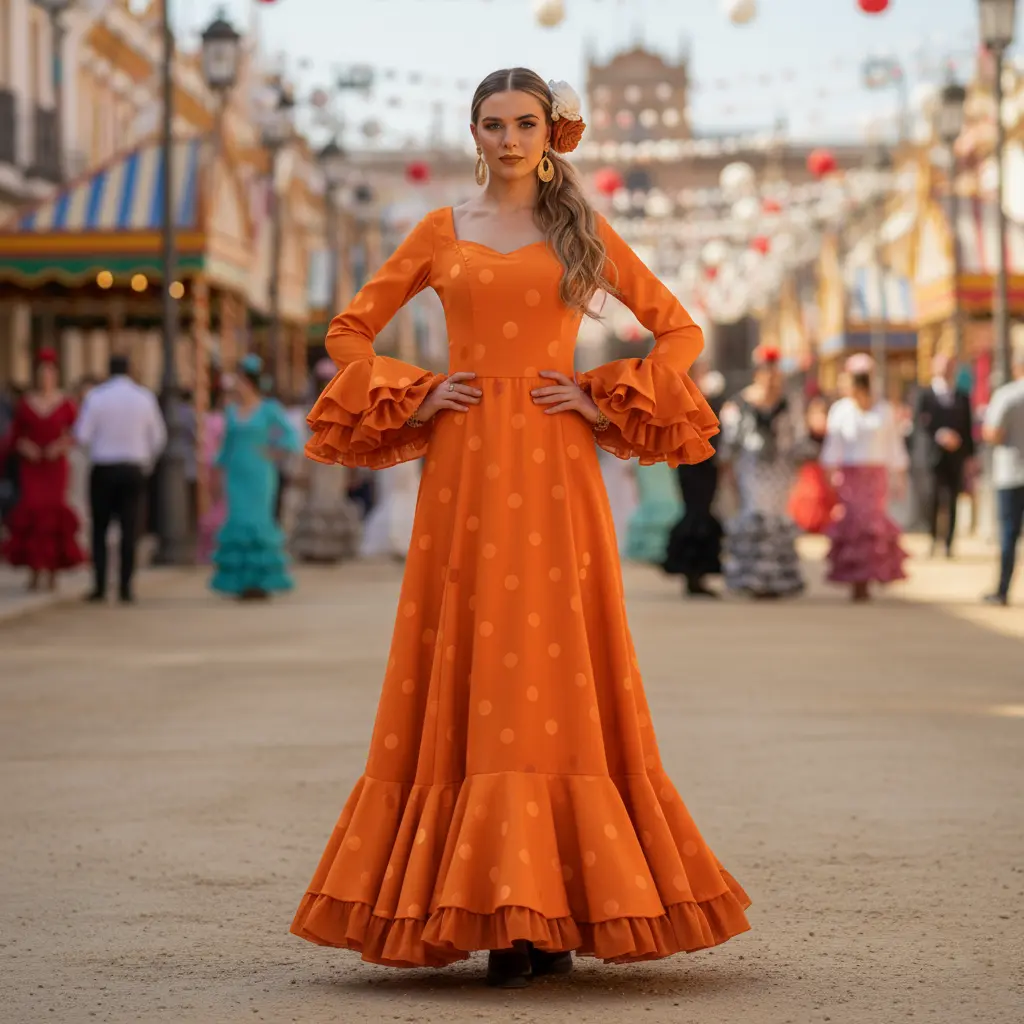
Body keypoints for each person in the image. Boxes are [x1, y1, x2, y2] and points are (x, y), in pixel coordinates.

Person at [290, 69, 749, 987]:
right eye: (492, 123)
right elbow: (348, 332)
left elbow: (680, 332)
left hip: (555, 463)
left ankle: (546, 910)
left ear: (551, 132)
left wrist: (594, 391)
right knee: (473, 655)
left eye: (524, 122)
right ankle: (500, 907)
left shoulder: (579, 230)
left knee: (555, 659)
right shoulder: (438, 229)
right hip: (462, 466)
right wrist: (418, 392)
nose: (507, 138)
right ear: (472, 131)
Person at [73, 354, 166, 603]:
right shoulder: (144, 397)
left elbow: (82, 435)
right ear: (130, 370)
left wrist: (94, 452)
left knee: (100, 529)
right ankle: (126, 586)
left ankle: (100, 585)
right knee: (129, 529)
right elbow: (158, 437)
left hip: (103, 467)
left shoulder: (96, 397)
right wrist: (146, 461)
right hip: (133, 468)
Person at [209, 355, 301, 599]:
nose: (236, 386)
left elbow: (291, 438)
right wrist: (217, 475)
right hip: (236, 474)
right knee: (238, 521)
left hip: (260, 474)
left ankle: (260, 582)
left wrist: (273, 450)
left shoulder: (269, 409)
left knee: (259, 522)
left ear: (249, 382)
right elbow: (225, 448)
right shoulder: (230, 412)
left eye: (239, 380)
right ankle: (240, 582)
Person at [819, 355, 909, 602]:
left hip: (875, 477)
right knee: (854, 525)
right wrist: (829, 475)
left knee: (872, 526)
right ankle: (856, 580)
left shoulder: (884, 411)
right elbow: (833, 446)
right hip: (851, 477)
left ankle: (869, 576)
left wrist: (898, 476)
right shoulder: (841, 410)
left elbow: (894, 446)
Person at [719, 346, 804, 599]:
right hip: (751, 468)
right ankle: (752, 579)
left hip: (780, 471)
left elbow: (798, 438)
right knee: (755, 516)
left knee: (776, 519)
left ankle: (776, 581)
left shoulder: (789, 402)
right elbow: (730, 443)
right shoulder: (739, 403)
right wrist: (728, 471)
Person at [1, 348, 85, 589]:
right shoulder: (26, 403)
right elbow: (15, 436)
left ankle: (52, 570)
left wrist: (60, 446)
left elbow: (76, 433)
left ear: (55, 375)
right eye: (41, 374)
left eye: (49, 373)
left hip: (55, 466)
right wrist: (25, 447)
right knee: (32, 511)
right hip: (33, 467)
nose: (45, 378)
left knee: (53, 512)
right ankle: (34, 569)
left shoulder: (66, 404)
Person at [663, 365, 726, 597]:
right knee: (695, 514)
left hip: (707, 466)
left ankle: (697, 575)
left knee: (702, 513)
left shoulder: (711, 403)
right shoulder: (679, 402)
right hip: (690, 466)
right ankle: (692, 574)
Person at [291, 362, 363, 564]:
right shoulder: (312, 408)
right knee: (316, 499)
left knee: (332, 500)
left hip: (336, 461)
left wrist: (352, 467)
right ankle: (314, 549)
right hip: (317, 459)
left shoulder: (345, 407)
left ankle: (330, 550)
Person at [914, 353, 975, 558]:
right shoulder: (924, 395)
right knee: (932, 497)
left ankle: (949, 542)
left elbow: (967, 428)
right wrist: (939, 436)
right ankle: (932, 537)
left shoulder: (962, 397)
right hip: (932, 456)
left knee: (952, 499)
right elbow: (919, 425)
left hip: (955, 456)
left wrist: (967, 453)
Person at [981, 351, 1024, 606]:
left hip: (1011, 472)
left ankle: (1003, 590)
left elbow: (992, 432)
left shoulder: (1007, 395)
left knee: (1009, 534)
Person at [787, 393, 838, 536]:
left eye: (822, 413)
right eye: (814, 413)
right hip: (804, 515)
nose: (819, 418)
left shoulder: (835, 444)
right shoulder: (801, 446)